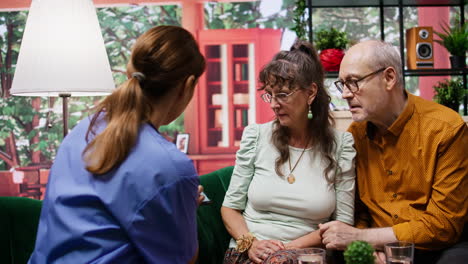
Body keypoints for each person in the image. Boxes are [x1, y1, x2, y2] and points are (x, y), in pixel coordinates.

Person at [28, 25, 206, 263]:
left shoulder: (84, 129)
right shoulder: (170, 167)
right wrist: (185, 209)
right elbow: (185, 260)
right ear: (188, 86)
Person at [319, 40, 468, 264]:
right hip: (378, 250)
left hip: (437, 248)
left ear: (389, 78)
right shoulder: (356, 134)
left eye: (354, 82)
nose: (346, 94)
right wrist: (365, 248)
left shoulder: (446, 129)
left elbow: (443, 226)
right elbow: (358, 210)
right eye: (342, 85)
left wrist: (362, 238)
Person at [221, 40, 356, 264]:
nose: (274, 104)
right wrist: (252, 244)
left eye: (282, 95)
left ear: (311, 92)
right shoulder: (256, 136)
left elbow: (342, 225)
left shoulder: (340, 146)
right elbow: (230, 209)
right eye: (270, 94)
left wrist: (287, 250)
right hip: (249, 254)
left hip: (306, 256)